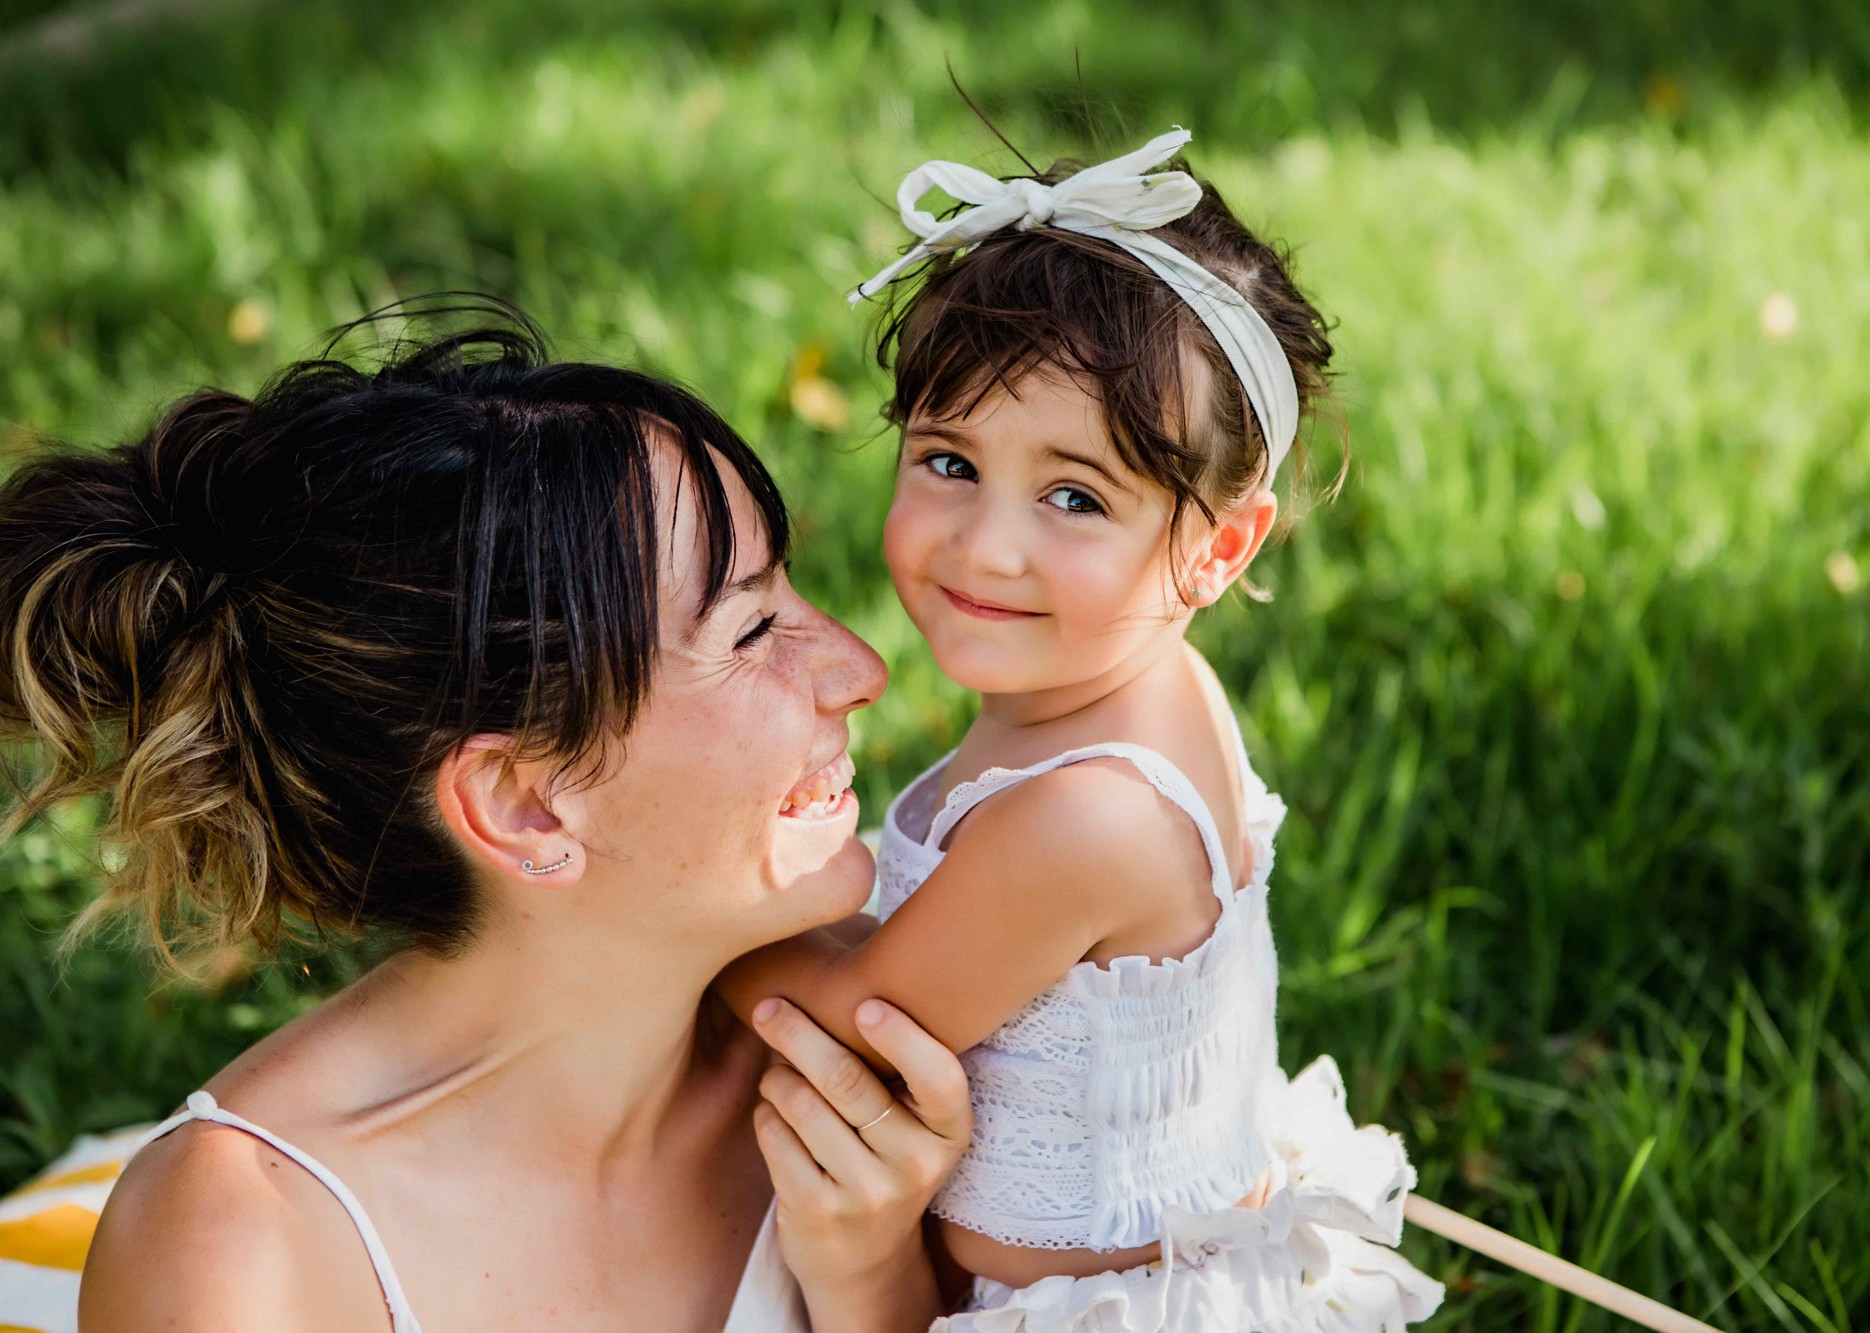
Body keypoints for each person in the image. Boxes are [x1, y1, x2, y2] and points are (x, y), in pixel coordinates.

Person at [0, 306, 971, 1332]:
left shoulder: (878, 1035)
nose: (860, 668)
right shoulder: (252, 1253)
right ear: (523, 805)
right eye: (753, 628)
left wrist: (872, 1277)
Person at [718, 132, 1448, 1330]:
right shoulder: (1142, 685)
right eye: (948, 461)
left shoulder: (1087, 817)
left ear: (1217, 548)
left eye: (1073, 496)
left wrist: (699, 927)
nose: (986, 546)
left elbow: (851, 1032)